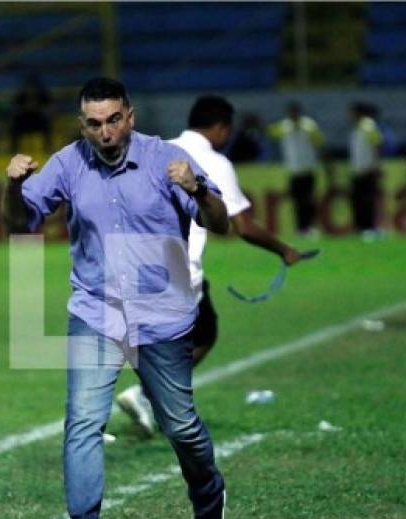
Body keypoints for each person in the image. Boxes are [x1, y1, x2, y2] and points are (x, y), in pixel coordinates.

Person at [2, 78, 230, 519]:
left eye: (113, 120)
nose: (105, 132)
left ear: (130, 116)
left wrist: (199, 187)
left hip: (161, 315)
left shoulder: (164, 159)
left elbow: (219, 221)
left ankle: (209, 498)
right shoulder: (68, 162)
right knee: (83, 421)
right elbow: (20, 226)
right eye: (93, 123)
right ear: (82, 125)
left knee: (180, 425)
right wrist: (13, 188)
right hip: (95, 311)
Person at [117, 96, 308, 435]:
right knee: (200, 334)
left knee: (186, 331)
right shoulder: (214, 162)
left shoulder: (155, 150)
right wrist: (285, 250)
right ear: (220, 128)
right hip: (178, 265)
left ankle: (150, 396)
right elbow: (243, 226)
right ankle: (147, 395)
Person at [269, 101, 325, 236]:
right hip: (293, 171)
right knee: (297, 201)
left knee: (309, 201)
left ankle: (310, 226)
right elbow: (271, 133)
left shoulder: (309, 125)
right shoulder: (284, 126)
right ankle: (300, 228)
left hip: (308, 168)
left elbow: (319, 143)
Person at [349, 102, 383, 240]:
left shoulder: (367, 125)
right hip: (358, 170)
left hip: (367, 170)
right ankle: (361, 228)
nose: (349, 116)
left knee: (367, 201)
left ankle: (369, 228)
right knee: (358, 201)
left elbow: (376, 144)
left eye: (351, 112)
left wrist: (376, 165)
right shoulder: (357, 128)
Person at [10, 74, 53, 154]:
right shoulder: (21, 96)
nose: (31, 89)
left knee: (46, 124)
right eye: (29, 87)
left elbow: (49, 108)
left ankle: (47, 148)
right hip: (24, 121)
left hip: (38, 120)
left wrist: (38, 108)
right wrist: (25, 108)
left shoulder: (42, 95)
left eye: (33, 87)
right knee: (14, 126)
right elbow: (14, 108)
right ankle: (13, 149)